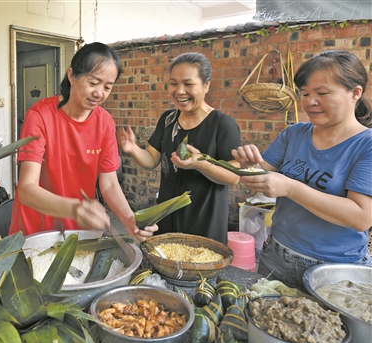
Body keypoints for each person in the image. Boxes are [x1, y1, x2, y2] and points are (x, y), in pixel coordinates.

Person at [232, 50, 372, 290]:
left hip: (334, 271)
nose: (310, 101)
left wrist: (290, 187)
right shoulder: (294, 133)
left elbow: (361, 217)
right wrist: (250, 167)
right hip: (276, 254)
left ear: (355, 93)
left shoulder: (366, 144)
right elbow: (262, 176)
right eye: (305, 93)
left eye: (322, 93)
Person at [9, 42, 157, 242]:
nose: (99, 93)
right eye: (93, 82)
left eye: (107, 87)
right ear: (72, 76)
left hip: (79, 232)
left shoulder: (105, 123)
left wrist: (129, 219)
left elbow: (110, 184)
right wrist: (75, 208)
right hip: (36, 230)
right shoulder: (40, 116)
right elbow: (26, 189)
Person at [118, 52, 241, 244]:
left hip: (204, 222)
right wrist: (132, 148)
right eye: (173, 83)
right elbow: (151, 159)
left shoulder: (223, 124)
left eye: (188, 84)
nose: (179, 91)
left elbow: (234, 176)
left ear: (206, 85)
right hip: (166, 219)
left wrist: (200, 164)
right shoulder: (168, 120)